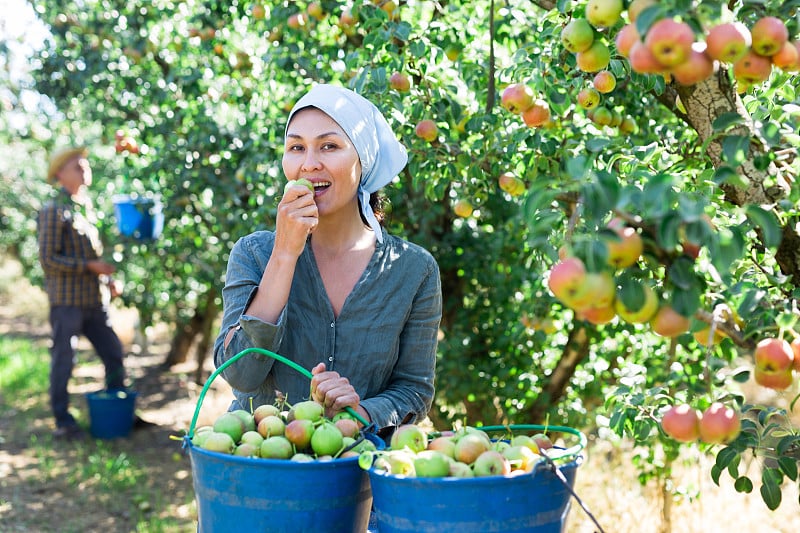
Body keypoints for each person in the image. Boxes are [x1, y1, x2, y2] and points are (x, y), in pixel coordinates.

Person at [213, 84, 442, 437]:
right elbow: (240, 374)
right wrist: (285, 254)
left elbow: (414, 389)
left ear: (362, 159)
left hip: (353, 469)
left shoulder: (414, 270)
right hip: (258, 466)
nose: (309, 163)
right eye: (296, 147)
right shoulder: (254, 254)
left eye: (329, 146)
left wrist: (361, 413)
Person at [37, 146, 139, 440]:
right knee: (64, 360)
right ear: (59, 174)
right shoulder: (53, 210)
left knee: (113, 353)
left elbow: (94, 255)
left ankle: (119, 407)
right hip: (67, 303)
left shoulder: (85, 207)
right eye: (76, 166)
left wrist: (108, 281)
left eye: (84, 164)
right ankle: (63, 420)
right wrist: (89, 266)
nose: (84, 168)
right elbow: (48, 259)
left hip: (95, 302)